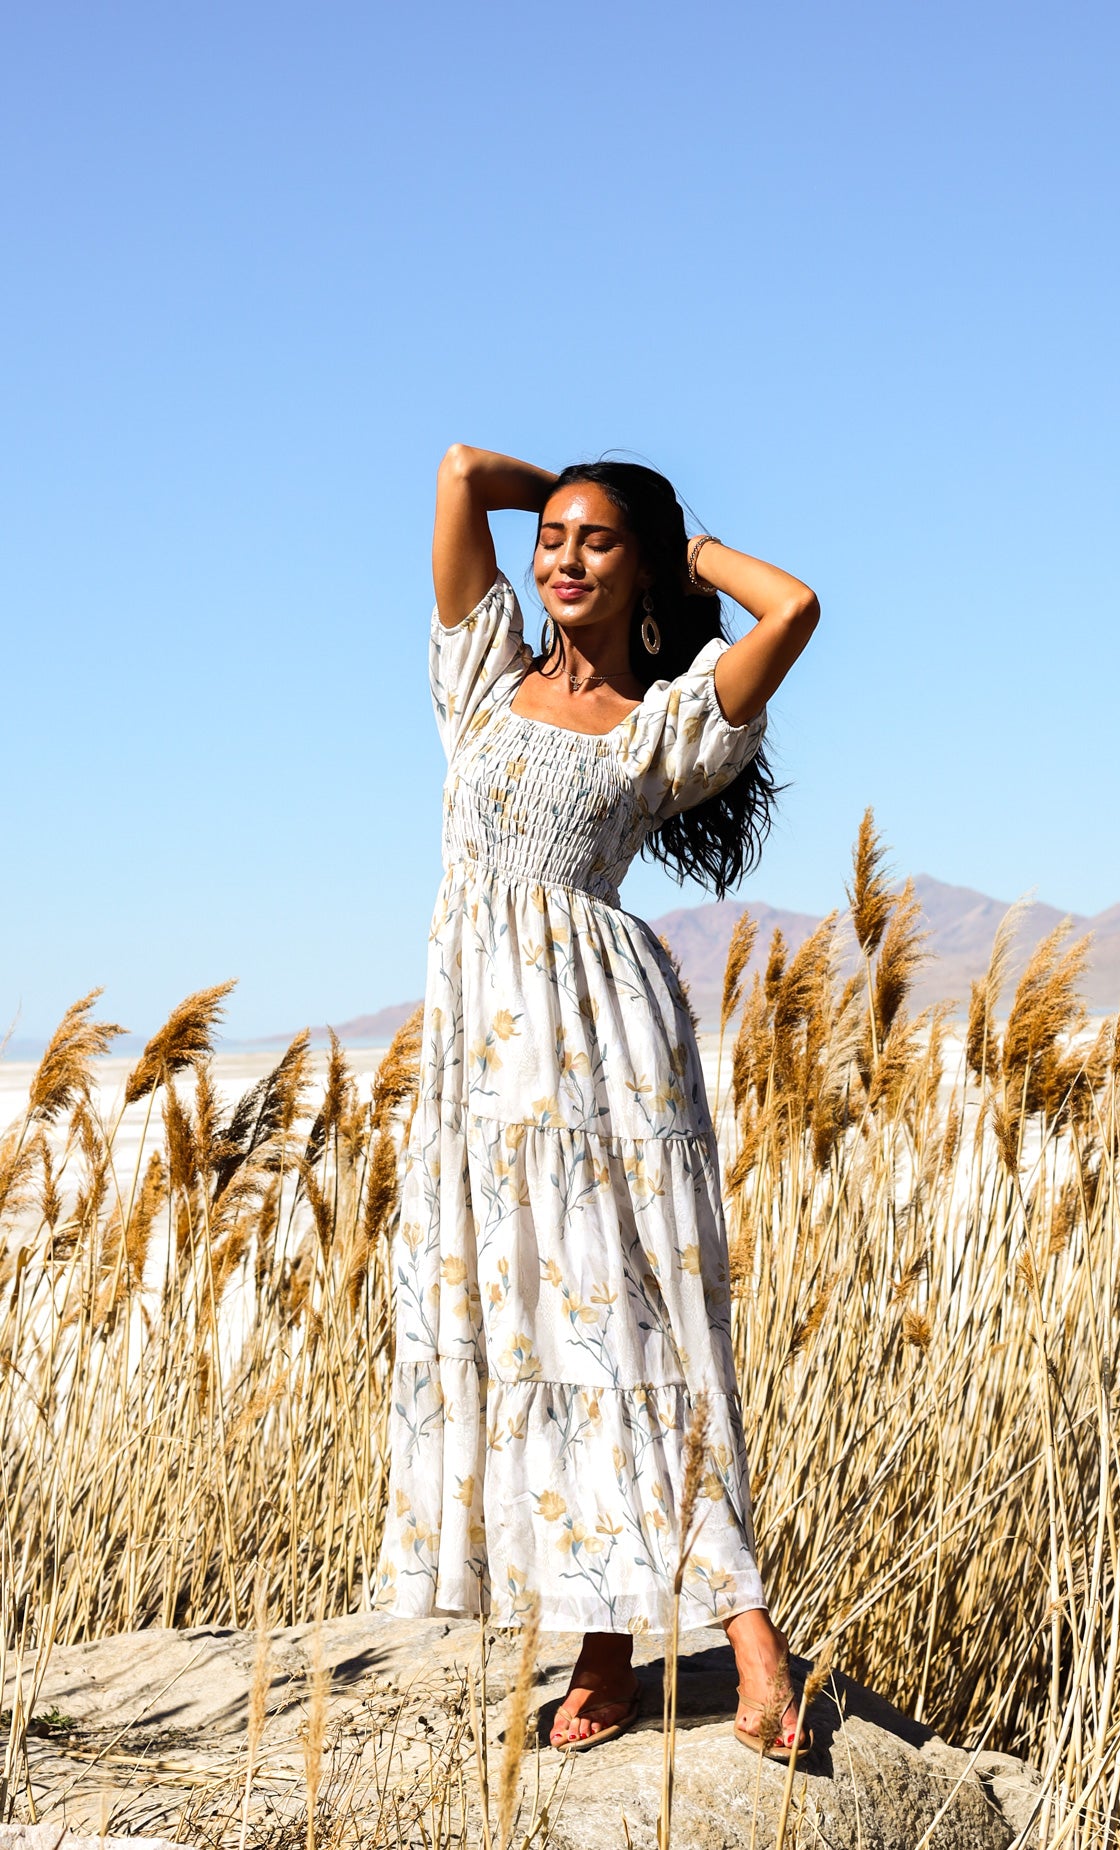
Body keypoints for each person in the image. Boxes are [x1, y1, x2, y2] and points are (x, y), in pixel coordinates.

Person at [375, 445, 819, 1755]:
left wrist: (684, 546)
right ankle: (605, 1648)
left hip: (605, 1058)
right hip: (480, 1073)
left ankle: (750, 1638)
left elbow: (791, 608)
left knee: (637, 1329)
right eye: (552, 539)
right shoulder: (481, 679)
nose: (562, 557)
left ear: (643, 573)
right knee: (537, 1338)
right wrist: (567, 487)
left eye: (596, 541)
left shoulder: (661, 723)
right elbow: (463, 470)